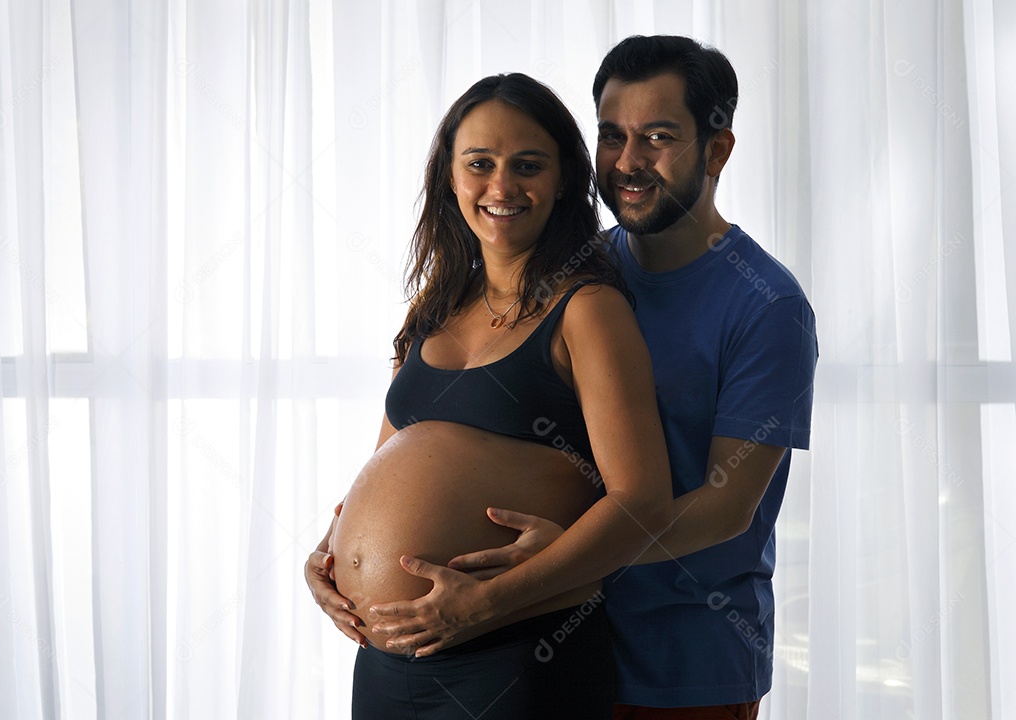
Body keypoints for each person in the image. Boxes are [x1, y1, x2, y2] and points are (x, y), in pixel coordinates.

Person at [315, 36, 819, 720]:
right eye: (613, 136)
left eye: (658, 136)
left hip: (681, 657)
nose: (630, 161)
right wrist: (342, 546)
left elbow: (726, 507)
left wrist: (557, 563)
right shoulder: (573, 267)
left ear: (717, 150)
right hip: (548, 631)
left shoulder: (765, 305)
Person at [309, 72, 677, 719]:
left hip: (513, 657)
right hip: (385, 662)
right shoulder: (434, 306)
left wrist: (486, 602)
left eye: (527, 166)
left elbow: (642, 502)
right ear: (449, 176)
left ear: (563, 179)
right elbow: (387, 462)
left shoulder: (587, 309)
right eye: (480, 164)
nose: (502, 188)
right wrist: (332, 552)